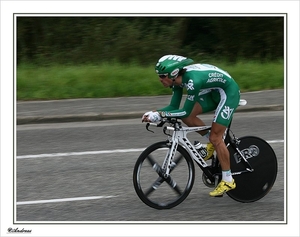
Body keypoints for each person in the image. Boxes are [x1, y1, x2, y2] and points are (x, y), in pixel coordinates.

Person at [142, 54, 240, 197]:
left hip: (228, 93)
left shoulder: (193, 81)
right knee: (188, 118)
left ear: (174, 73)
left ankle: (228, 180)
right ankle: (212, 146)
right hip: (214, 92)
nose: (160, 79)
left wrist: (162, 115)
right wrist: (154, 113)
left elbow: (184, 110)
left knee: (216, 137)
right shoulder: (176, 81)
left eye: (163, 76)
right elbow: (174, 106)